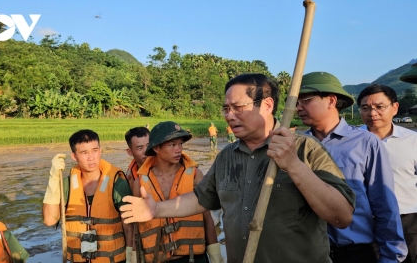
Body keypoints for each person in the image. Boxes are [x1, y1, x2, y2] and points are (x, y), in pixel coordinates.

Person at [120, 73, 356, 263]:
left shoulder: (305, 149)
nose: (229, 116)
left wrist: (293, 165)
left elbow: (341, 216)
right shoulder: (227, 156)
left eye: (238, 107)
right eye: (226, 109)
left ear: (267, 104)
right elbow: (203, 198)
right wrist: (156, 210)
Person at [297, 72, 407, 263]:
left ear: (331, 101)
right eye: (296, 102)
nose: (298, 107)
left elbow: (384, 204)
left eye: (305, 100)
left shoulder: (365, 143)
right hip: (309, 253)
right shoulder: (297, 146)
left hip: (355, 253)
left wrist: (390, 256)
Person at [131, 121, 223, 263]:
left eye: (180, 144)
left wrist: (215, 252)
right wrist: (133, 257)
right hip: (157, 258)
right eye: (172, 145)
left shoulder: (195, 175)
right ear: (156, 148)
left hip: (193, 257)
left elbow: (207, 217)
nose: (179, 149)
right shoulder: (139, 184)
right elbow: (136, 226)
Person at [42, 129, 134, 263]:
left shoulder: (117, 184)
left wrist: (131, 257)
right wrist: (54, 179)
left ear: (100, 150)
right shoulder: (66, 185)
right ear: (74, 156)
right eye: (84, 153)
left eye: (95, 150)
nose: (91, 157)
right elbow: (50, 220)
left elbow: (129, 227)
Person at [357, 84, 417, 263]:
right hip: (366, 222)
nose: (372, 113)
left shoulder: (413, 141)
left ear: (395, 108)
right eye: (365, 108)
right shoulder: (351, 142)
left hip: (408, 221)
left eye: (379, 107)